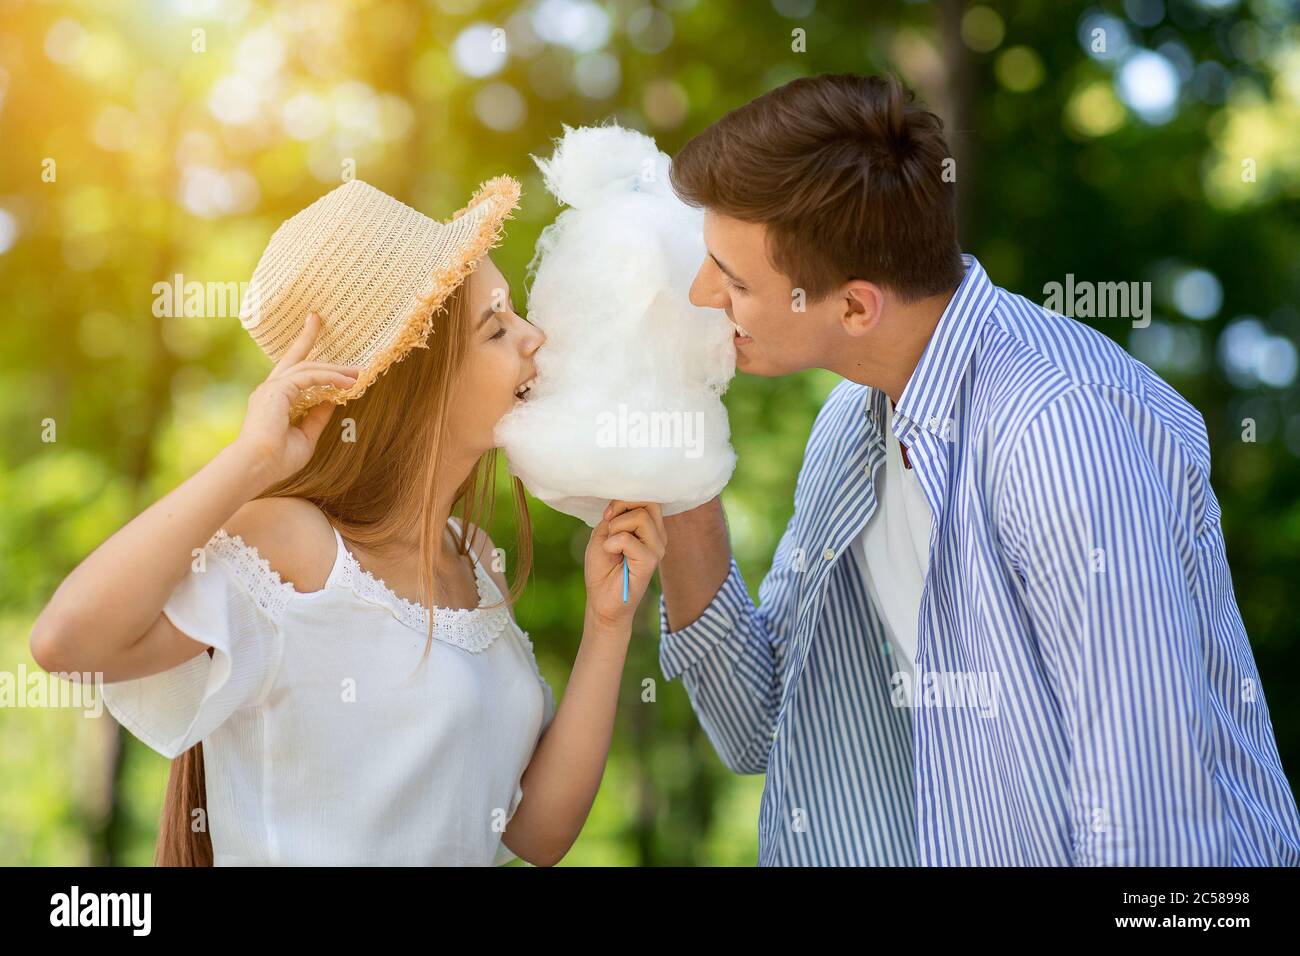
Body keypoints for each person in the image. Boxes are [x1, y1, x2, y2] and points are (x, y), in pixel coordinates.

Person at [657, 72, 1300, 865]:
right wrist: (673, 472)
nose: (699, 291)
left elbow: (1152, 820)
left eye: (734, 278)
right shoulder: (850, 425)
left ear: (855, 307)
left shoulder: (1056, 431)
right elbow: (760, 724)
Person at [30, 177, 666, 866]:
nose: (533, 337)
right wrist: (250, 460)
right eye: (496, 326)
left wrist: (610, 624)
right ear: (416, 377)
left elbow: (536, 835)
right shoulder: (296, 545)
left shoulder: (476, 558)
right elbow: (66, 643)